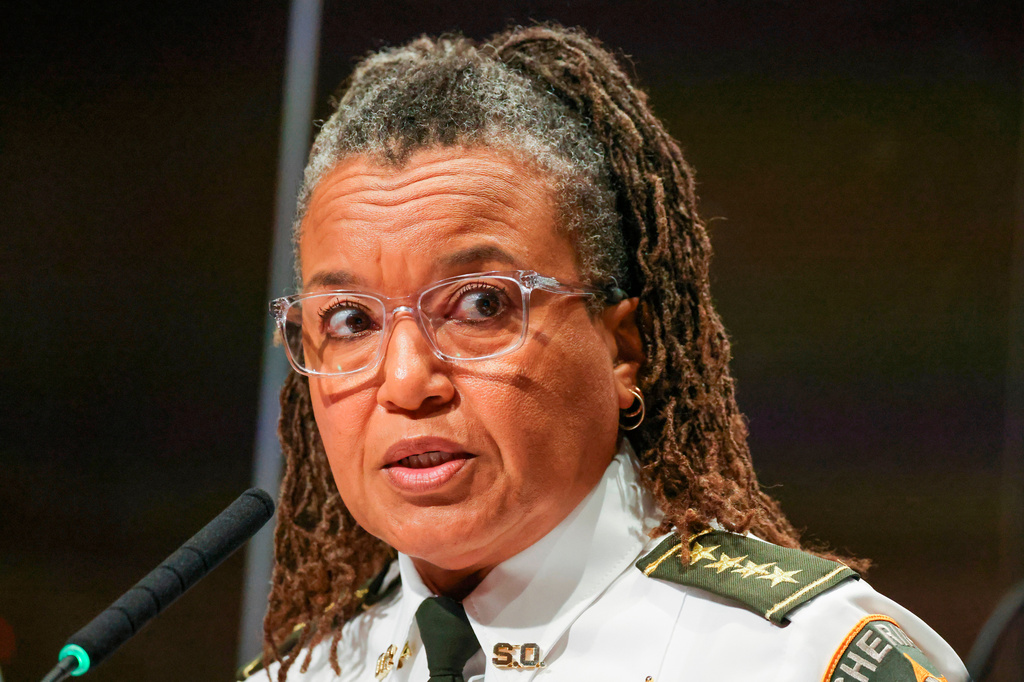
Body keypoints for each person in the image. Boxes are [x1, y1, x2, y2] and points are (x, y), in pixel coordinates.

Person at [243, 24, 968, 682]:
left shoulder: (795, 662)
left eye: (481, 305)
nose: (406, 381)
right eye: (348, 319)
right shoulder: (301, 674)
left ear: (624, 349)